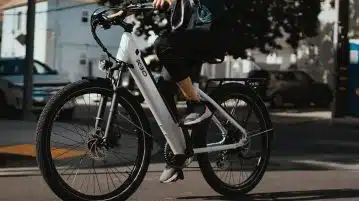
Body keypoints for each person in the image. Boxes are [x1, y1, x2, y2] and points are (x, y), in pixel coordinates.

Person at [152, 0, 227, 183]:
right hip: (186, 34)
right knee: (161, 91)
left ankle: (196, 104)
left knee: (163, 44)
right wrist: (122, 12)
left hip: (209, 29)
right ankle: (179, 151)